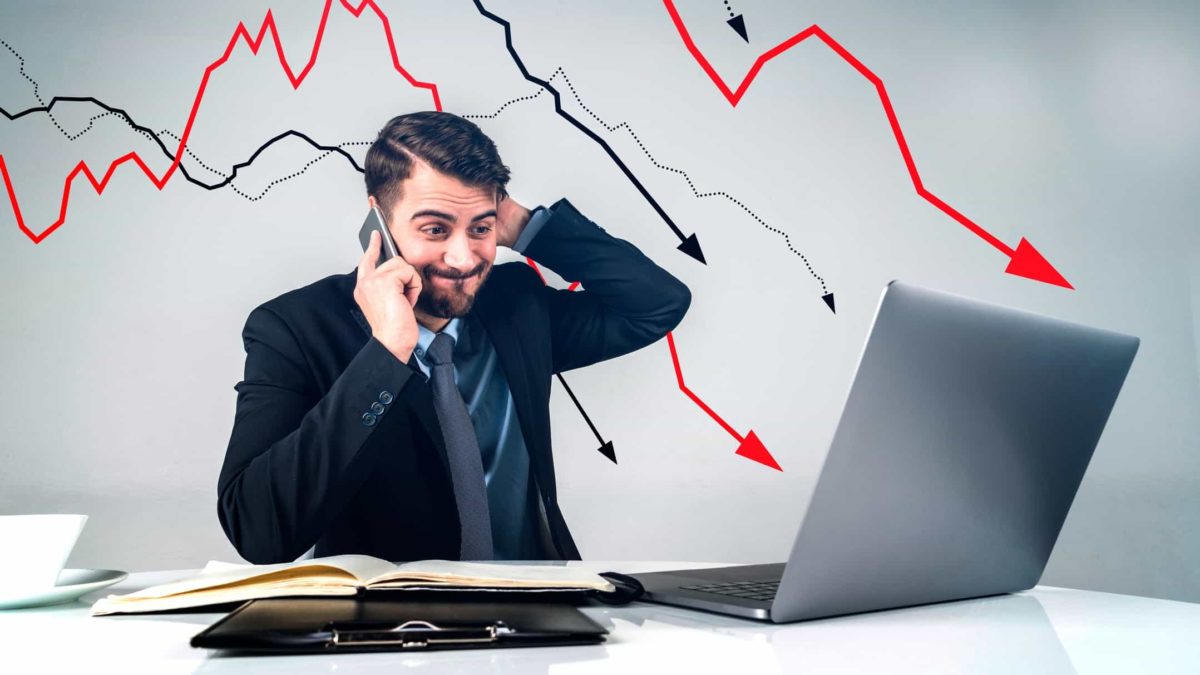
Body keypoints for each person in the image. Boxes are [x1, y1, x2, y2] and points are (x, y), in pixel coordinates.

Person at [217, 111, 691, 564]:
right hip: (399, 631)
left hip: (540, 613)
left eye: (479, 229)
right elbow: (258, 530)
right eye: (435, 228)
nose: (463, 258)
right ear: (378, 221)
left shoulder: (516, 307)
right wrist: (387, 353)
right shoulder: (295, 328)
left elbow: (656, 304)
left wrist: (526, 227)